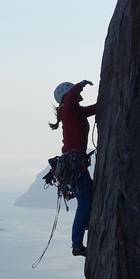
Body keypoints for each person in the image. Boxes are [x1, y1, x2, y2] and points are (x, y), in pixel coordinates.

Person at [49, 80, 96, 257]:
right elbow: (70, 100)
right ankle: (77, 245)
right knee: (84, 201)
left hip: (75, 162)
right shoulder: (66, 109)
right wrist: (81, 84)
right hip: (73, 162)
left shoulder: (75, 111)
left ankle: (85, 228)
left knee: (88, 196)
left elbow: (93, 109)